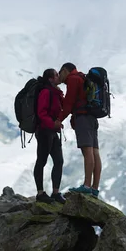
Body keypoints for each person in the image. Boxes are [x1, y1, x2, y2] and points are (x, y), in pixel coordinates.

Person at [56, 62, 102, 197]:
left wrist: (59, 119)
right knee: (95, 152)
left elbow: (69, 103)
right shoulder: (82, 78)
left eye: (60, 74)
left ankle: (86, 186)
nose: (60, 78)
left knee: (87, 152)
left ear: (64, 71)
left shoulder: (73, 79)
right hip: (92, 118)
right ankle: (94, 188)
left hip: (83, 118)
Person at [33, 68, 66, 204]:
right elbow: (42, 113)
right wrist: (54, 124)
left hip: (52, 131)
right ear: (50, 79)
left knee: (58, 161)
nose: (59, 77)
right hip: (45, 130)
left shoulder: (56, 93)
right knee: (42, 160)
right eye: (56, 75)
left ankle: (55, 192)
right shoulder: (46, 92)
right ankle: (40, 193)